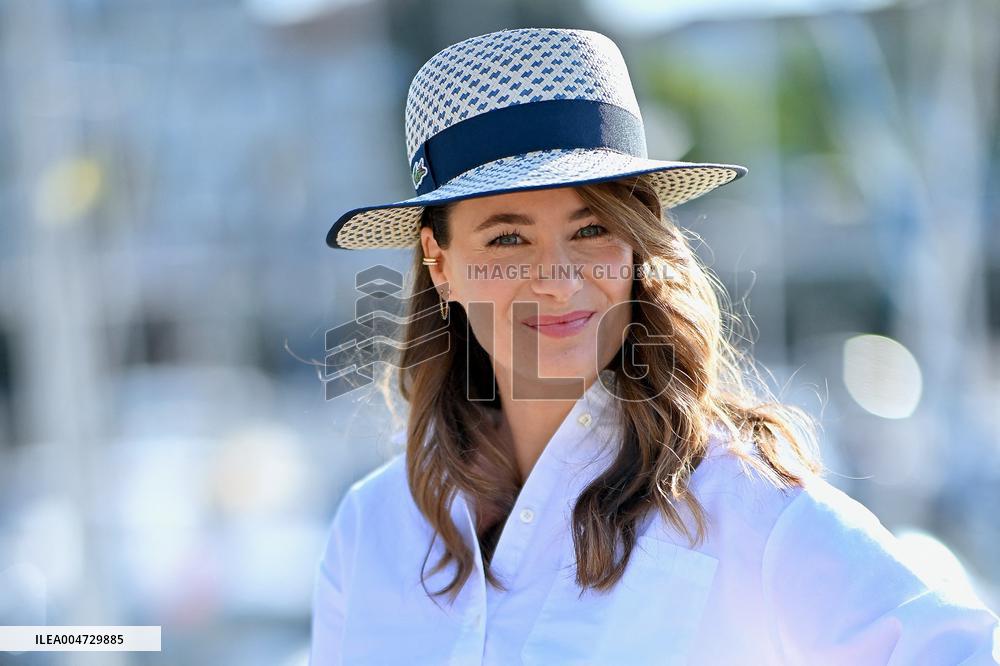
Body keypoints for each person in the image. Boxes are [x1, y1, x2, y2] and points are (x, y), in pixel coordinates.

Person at [311, 27, 1000, 665]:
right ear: (439, 263)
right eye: (508, 238)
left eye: (591, 230)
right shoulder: (370, 530)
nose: (559, 279)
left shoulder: (742, 506)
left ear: (637, 249)